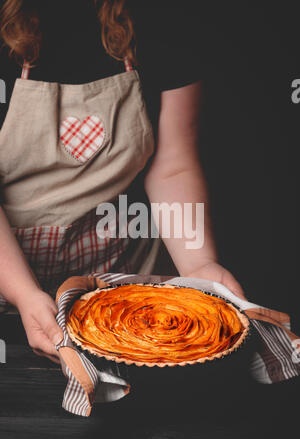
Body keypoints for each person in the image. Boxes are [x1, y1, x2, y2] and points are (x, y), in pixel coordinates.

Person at [0, 0, 245, 364]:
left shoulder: (168, 15)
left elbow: (173, 165)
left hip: (124, 298)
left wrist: (198, 265)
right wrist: (23, 293)